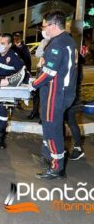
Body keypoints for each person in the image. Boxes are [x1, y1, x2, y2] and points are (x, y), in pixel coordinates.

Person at [28, 10, 77, 180]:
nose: (43, 29)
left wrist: (31, 85)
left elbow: (48, 73)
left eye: (44, 26)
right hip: (61, 92)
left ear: (53, 25)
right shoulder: (66, 40)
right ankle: (48, 156)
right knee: (51, 126)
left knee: (53, 129)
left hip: (55, 94)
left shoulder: (57, 44)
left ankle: (57, 168)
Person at [64, 53, 86, 160]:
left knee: (71, 121)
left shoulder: (75, 65)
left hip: (72, 98)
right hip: (71, 97)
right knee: (68, 121)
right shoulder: (75, 64)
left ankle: (78, 148)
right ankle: (72, 147)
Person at [27, 36, 50, 120]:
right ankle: (35, 111)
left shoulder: (57, 41)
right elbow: (38, 53)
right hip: (40, 68)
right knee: (36, 91)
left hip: (48, 69)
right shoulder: (44, 41)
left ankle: (43, 116)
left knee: (45, 93)